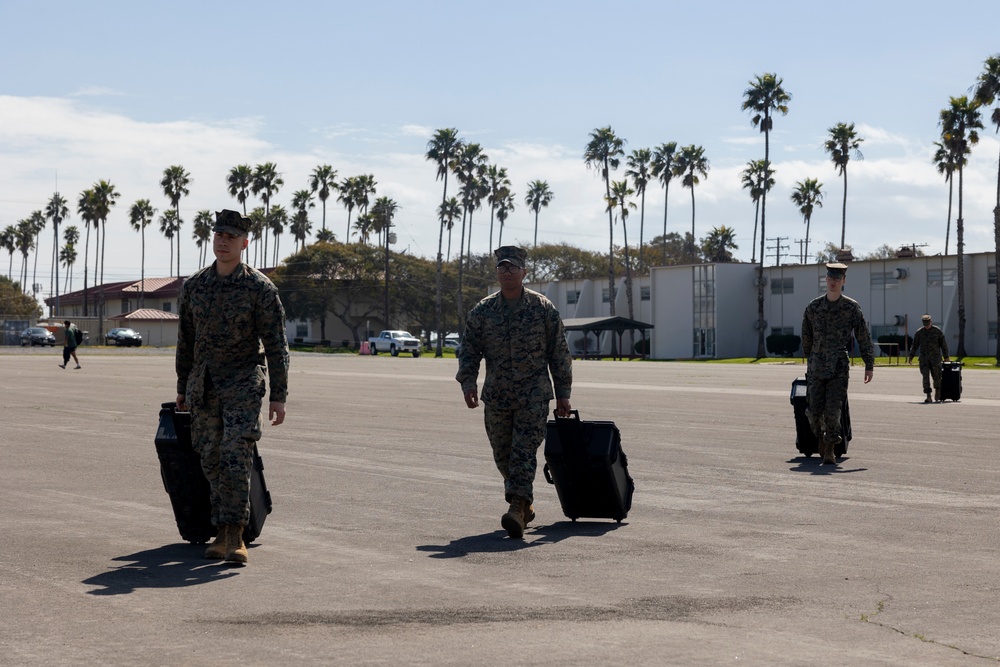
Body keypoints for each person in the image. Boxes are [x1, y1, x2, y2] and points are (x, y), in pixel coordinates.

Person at [175, 209, 289, 565]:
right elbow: (186, 342)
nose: (222, 241)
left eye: (230, 237)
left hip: (242, 381)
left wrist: (279, 396)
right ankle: (221, 528)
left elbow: (276, 345)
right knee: (210, 458)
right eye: (218, 235)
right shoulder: (195, 287)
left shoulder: (259, 289)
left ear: (244, 243)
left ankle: (234, 533)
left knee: (236, 454)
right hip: (204, 384)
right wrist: (182, 386)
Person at [457, 245, 573, 538]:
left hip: (533, 395)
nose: (507, 272)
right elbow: (469, 350)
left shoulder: (542, 308)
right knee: (503, 454)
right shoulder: (483, 310)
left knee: (523, 452)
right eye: (502, 268)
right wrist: (468, 383)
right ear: (497, 273)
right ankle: (526, 503)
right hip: (497, 396)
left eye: (513, 268)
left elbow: (559, 353)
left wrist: (563, 393)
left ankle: (517, 509)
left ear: (524, 272)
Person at [801, 263, 875, 465]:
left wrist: (869, 364)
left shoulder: (851, 308)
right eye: (830, 278)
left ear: (843, 281)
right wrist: (809, 358)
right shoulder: (813, 307)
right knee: (814, 413)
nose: (833, 282)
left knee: (833, 412)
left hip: (838, 368)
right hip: (816, 367)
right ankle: (821, 438)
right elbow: (806, 334)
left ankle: (830, 450)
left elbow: (864, 337)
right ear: (826, 279)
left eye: (837, 279)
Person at [907, 314, 950, 403]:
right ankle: (928, 396)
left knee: (937, 376)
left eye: (927, 323)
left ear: (931, 321)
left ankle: (938, 392)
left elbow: (943, 345)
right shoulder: (919, 332)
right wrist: (911, 356)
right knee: (925, 377)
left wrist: (946, 357)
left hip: (935, 359)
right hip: (924, 359)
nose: (926, 325)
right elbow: (914, 345)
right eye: (924, 323)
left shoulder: (937, 331)